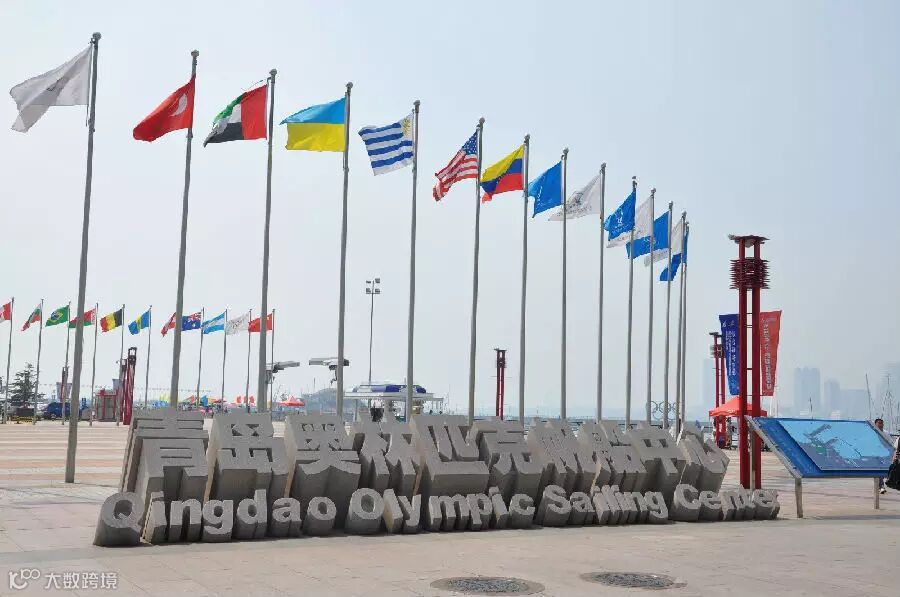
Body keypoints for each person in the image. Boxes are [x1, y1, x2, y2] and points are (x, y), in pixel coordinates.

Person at [874, 418, 888, 494]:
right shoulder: (872, 432)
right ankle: (881, 486)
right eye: (879, 423)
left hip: (884, 454)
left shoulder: (886, 433)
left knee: (882, 470)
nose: (880, 425)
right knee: (879, 470)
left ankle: (880, 485)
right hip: (875, 454)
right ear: (875, 424)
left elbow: (890, 442)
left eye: (882, 423)